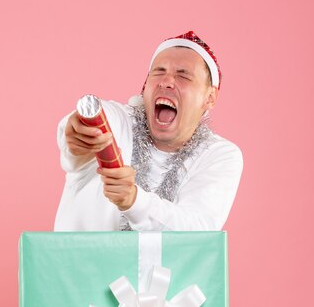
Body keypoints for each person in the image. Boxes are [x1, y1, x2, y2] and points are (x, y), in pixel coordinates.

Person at [54, 31, 243, 231]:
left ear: (210, 97)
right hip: (77, 262)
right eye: (159, 71)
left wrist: (134, 200)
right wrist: (79, 132)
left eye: (183, 75)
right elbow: (102, 116)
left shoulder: (220, 155)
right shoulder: (120, 122)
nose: (166, 81)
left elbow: (196, 231)